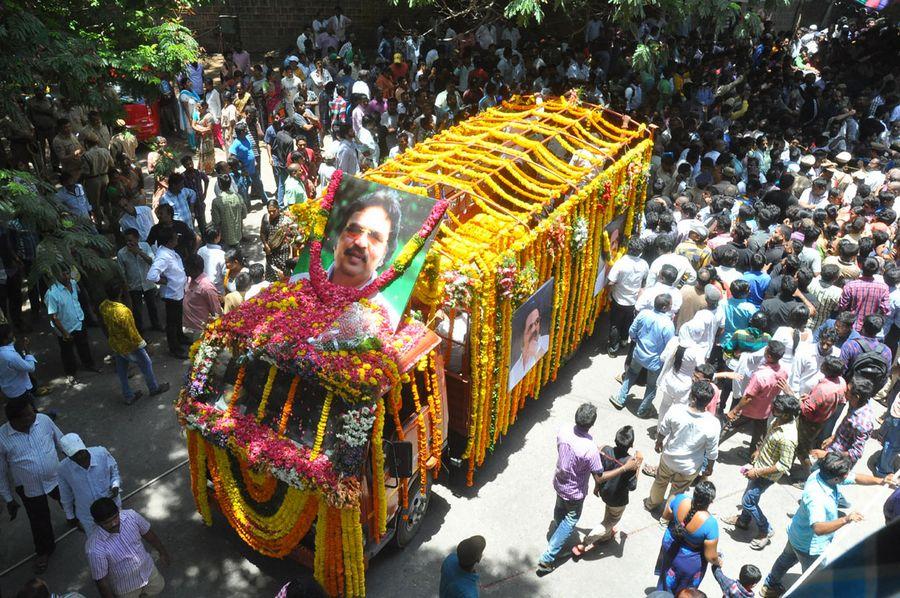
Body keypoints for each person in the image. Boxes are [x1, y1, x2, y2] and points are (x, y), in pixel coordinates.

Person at [761, 453, 894, 597]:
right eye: (845, 474)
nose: (848, 475)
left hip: (797, 532)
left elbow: (855, 478)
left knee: (785, 559)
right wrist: (846, 519)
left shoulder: (822, 474)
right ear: (836, 478)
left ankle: (770, 585)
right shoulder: (817, 498)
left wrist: (881, 480)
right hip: (809, 547)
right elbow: (818, 528)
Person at [721, 395, 800, 550]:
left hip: (766, 475)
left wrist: (757, 472)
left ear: (786, 414)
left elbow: (784, 465)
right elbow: (769, 438)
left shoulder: (788, 437)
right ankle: (743, 521)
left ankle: (765, 530)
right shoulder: (778, 421)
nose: (772, 410)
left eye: (776, 409)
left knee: (748, 501)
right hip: (759, 466)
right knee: (748, 496)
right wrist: (759, 450)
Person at [536, 403, 605, 573]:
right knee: (570, 519)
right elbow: (599, 475)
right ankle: (548, 558)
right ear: (592, 424)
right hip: (575, 492)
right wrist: (624, 468)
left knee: (560, 509)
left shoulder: (564, 430)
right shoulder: (590, 449)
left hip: (560, 481)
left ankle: (556, 536)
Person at [0, 401, 64, 573]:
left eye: (32, 412)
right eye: (28, 415)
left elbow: (61, 441)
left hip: (56, 477)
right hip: (29, 488)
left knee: (68, 500)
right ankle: (44, 550)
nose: (33, 416)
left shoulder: (43, 420)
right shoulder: (2, 438)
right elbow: (1, 473)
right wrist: (8, 498)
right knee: (38, 520)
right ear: (14, 421)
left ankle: (75, 519)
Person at [645, 381, 720, 514]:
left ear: (692, 396)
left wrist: (659, 442)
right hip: (689, 467)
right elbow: (712, 452)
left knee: (660, 481)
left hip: (669, 458)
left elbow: (663, 429)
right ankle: (666, 516)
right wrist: (709, 467)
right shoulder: (713, 423)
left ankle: (651, 504)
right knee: (678, 491)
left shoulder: (676, 409)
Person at [573, 425, 643, 554]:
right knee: (611, 521)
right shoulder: (630, 463)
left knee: (608, 513)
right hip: (618, 500)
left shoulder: (605, 450)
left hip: (605, 492)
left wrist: (597, 486)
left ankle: (605, 536)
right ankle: (584, 543)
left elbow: (598, 471)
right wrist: (638, 466)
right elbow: (632, 487)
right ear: (631, 444)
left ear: (615, 440)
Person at [99, 285, 169, 404]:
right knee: (146, 364)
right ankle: (153, 388)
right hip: (130, 345)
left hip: (116, 344)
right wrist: (145, 345)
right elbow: (132, 333)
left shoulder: (103, 306)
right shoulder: (123, 311)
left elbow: (104, 323)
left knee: (122, 371)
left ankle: (128, 395)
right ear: (120, 293)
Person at [86, 498, 169, 598]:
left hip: (148, 571)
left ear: (118, 510)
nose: (114, 523)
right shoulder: (94, 548)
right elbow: (101, 582)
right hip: (126, 589)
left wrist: (163, 552)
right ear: (97, 522)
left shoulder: (132, 516)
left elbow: (149, 534)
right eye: (108, 522)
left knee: (158, 588)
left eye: (115, 517)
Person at [610, 294, 675, 417]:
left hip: (638, 354)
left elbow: (632, 331)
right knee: (651, 385)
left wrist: (637, 341)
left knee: (631, 374)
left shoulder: (644, 314)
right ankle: (643, 410)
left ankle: (620, 398)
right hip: (655, 361)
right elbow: (669, 346)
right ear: (665, 307)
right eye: (670, 305)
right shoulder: (668, 324)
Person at [655, 481, 721, 594]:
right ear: (711, 501)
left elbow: (666, 516)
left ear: (694, 493)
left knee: (666, 581)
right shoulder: (711, 524)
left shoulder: (679, 499)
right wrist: (718, 561)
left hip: (669, 547)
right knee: (683, 592)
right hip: (687, 563)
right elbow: (710, 556)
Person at [726, 340, 788, 455]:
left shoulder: (760, 376)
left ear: (768, 356)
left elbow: (748, 397)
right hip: (765, 411)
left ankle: (711, 447)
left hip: (748, 410)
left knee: (729, 427)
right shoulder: (783, 372)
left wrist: (735, 410)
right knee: (759, 434)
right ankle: (753, 455)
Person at [57, 433, 121, 536]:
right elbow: (66, 495)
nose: (81, 457)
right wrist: (70, 516)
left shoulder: (101, 453)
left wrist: (115, 485)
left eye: (82, 452)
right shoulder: (62, 469)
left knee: (121, 533)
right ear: (65, 454)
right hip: (88, 517)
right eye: (75, 456)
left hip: (112, 510)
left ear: (84, 444)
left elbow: (114, 472)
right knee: (99, 544)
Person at [45, 269, 99, 384]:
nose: (66, 276)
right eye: (62, 273)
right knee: (67, 352)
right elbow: (53, 317)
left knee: (84, 345)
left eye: (67, 273)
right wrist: (64, 332)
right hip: (64, 327)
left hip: (79, 321)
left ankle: (89, 364)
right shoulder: (52, 293)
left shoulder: (74, 284)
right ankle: (71, 373)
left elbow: (76, 299)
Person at [146, 227, 189, 358]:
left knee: (177, 318)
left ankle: (180, 337)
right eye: (175, 238)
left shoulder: (168, 251)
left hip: (177, 291)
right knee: (171, 322)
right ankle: (174, 348)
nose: (177, 239)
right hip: (172, 294)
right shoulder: (163, 257)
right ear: (169, 241)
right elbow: (152, 276)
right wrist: (164, 281)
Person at [606, 237, 648, 355]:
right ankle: (624, 341)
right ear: (640, 251)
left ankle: (613, 349)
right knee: (628, 321)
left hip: (618, 299)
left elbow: (611, 281)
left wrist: (609, 293)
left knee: (615, 324)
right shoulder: (644, 264)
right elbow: (644, 282)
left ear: (628, 249)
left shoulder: (621, 262)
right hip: (633, 301)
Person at [116, 229, 162, 335]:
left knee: (152, 306)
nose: (129, 243)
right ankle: (140, 331)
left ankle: (156, 324)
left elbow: (153, 262)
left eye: (131, 240)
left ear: (137, 239)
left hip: (148, 283)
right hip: (134, 286)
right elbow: (121, 273)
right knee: (137, 310)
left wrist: (139, 252)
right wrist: (125, 289)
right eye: (127, 241)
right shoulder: (121, 253)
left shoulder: (145, 246)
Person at [838, 257, 890, 332]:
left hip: (851, 326)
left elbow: (842, 306)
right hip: (870, 328)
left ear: (861, 267)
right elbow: (886, 310)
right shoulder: (884, 288)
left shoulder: (850, 286)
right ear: (877, 270)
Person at [508, 300, 549, 390]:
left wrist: (536, 353)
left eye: (537, 322)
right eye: (530, 326)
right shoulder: (514, 371)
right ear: (522, 334)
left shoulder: (546, 342)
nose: (534, 329)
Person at [0, 323, 42, 403]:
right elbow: (31, 368)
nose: (13, 334)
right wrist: (27, 349)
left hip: (8, 389)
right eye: (10, 333)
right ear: (6, 338)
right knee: (28, 409)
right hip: (19, 390)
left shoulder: (5, 353)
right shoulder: (11, 356)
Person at [182, 255, 223, 334]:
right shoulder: (190, 279)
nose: (184, 269)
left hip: (199, 330)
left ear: (195, 269)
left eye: (187, 267)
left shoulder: (206, 287)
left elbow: (216, 311)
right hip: (188, 327)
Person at [210, 175, 247, 248]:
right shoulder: (238, 197)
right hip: (238, 234)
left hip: (224, 237)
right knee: (237, 253)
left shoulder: (216, 201)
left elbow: (216, 221)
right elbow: (244, 214)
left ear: (219, 185)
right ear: (230, 184)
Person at [260, 201, 294, 282]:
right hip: (270, 253)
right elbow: (262, 233)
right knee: (271, 276)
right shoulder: (266, 218)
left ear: (278, 209)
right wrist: (265, 244)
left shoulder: (286, 220)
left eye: (274, 211)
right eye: (269, 211)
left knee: (285, 275)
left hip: (283, 253)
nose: (271, 213)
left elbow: (292, 237)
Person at [197, 228, 227, 293]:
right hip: (217, 289)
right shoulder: (221, 254)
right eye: (219, 235)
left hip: (201, 286)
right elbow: (225, 274)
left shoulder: (200, 250)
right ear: (216, 238)